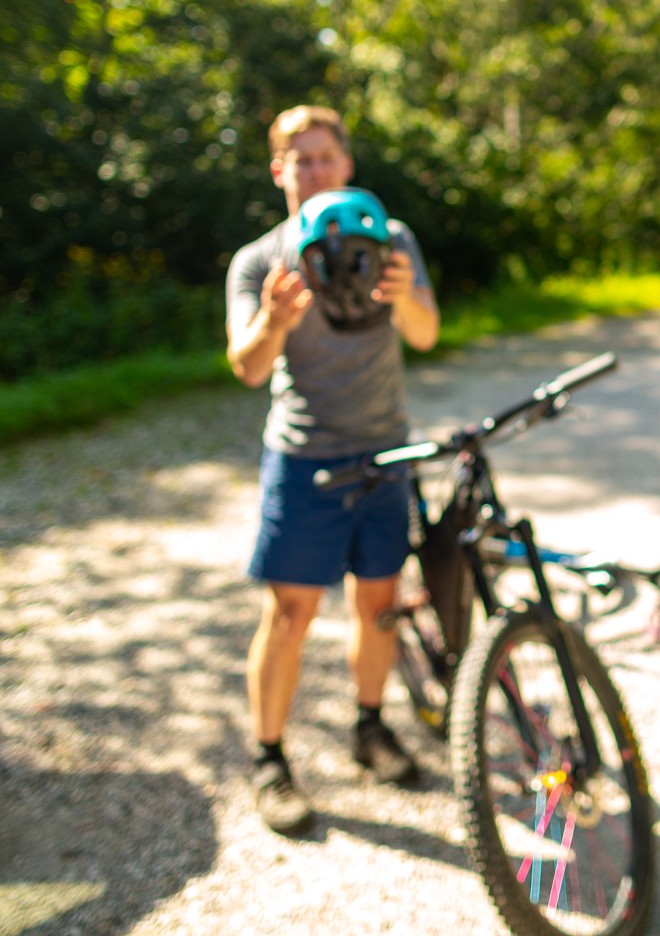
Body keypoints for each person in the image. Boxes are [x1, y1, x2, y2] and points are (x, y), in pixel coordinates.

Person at [225, 105, 440, 835]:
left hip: (385, 450)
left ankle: (370, 727)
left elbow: (427, 332)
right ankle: (269, 759)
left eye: (325, 156)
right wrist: (274, 321)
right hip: (304, 457)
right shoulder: (259, 262)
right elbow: (247, 368)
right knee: (290, 613)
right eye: (300, 159)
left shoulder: (392, 239)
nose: (314, 169)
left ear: (346, 164)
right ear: (280, 170)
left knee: (377, 601)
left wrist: (404, 293)